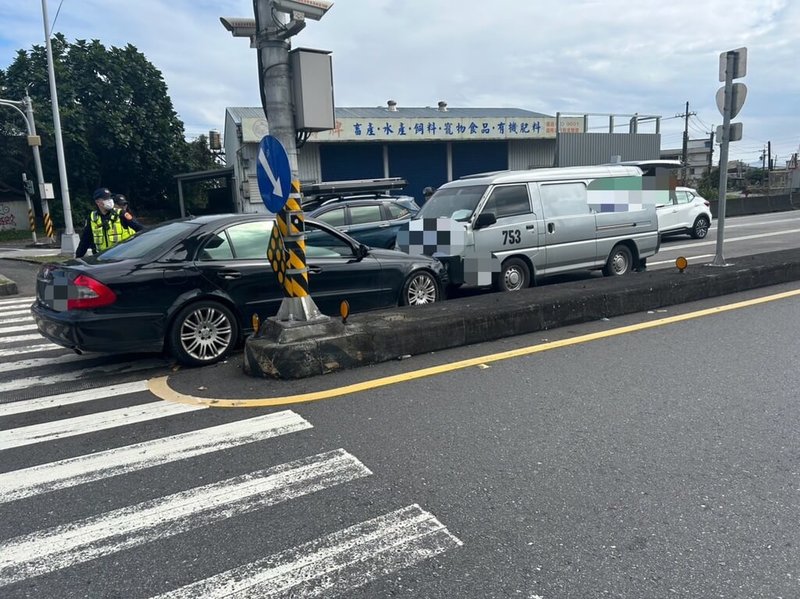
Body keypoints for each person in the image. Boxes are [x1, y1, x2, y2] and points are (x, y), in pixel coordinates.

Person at [75, 188, 143, 258]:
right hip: (101, 258)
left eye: (110, 198)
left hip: (121, 257)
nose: (110, 200)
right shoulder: (92, 218)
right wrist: (78, 257)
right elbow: (85, 240)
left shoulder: (121, 214)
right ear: (98, 202)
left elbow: (141, 229)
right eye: (106, 199)